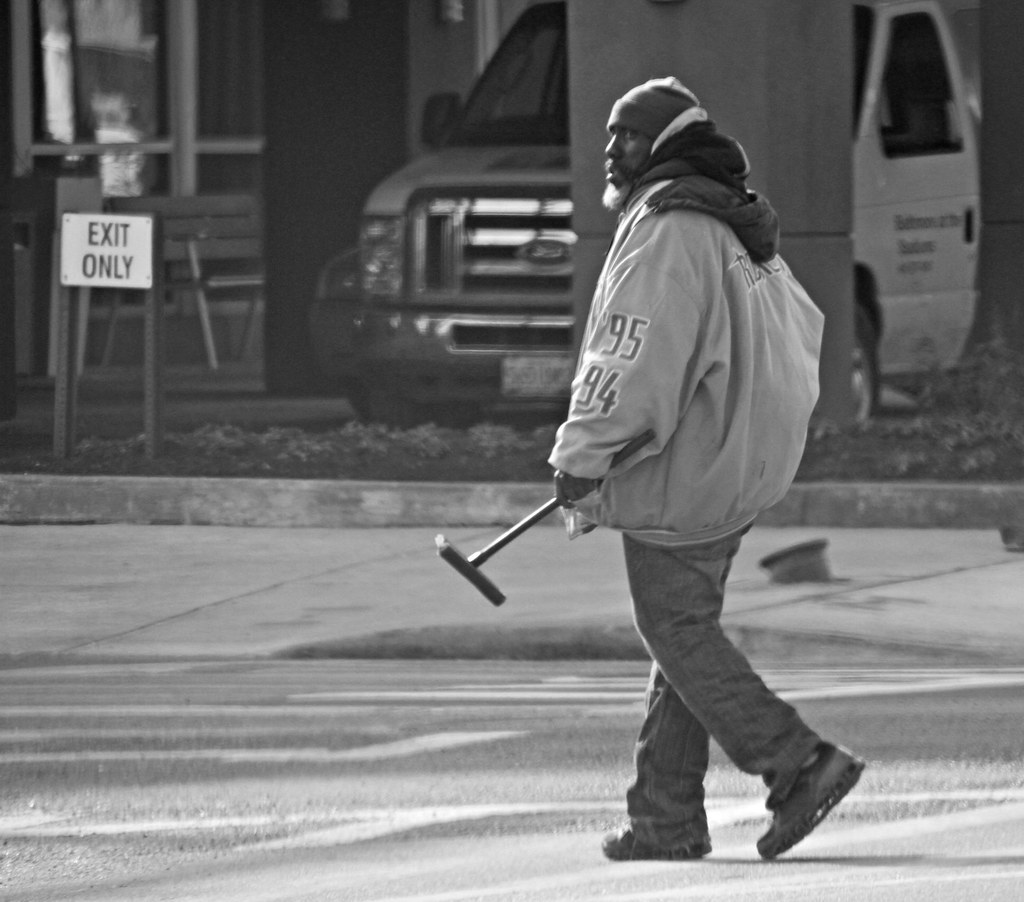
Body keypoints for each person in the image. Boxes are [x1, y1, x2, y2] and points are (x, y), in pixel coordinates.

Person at [548, 77, 865, 862]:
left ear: (660, 144)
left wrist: (580, 458)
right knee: (681, 631)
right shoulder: (725, 217)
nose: (610, 152)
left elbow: (630, 356)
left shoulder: (668, 228)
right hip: (739, 459)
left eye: (625, 136)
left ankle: (799, 764)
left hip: (692, 468)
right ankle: (664, 817)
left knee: (674, 626)